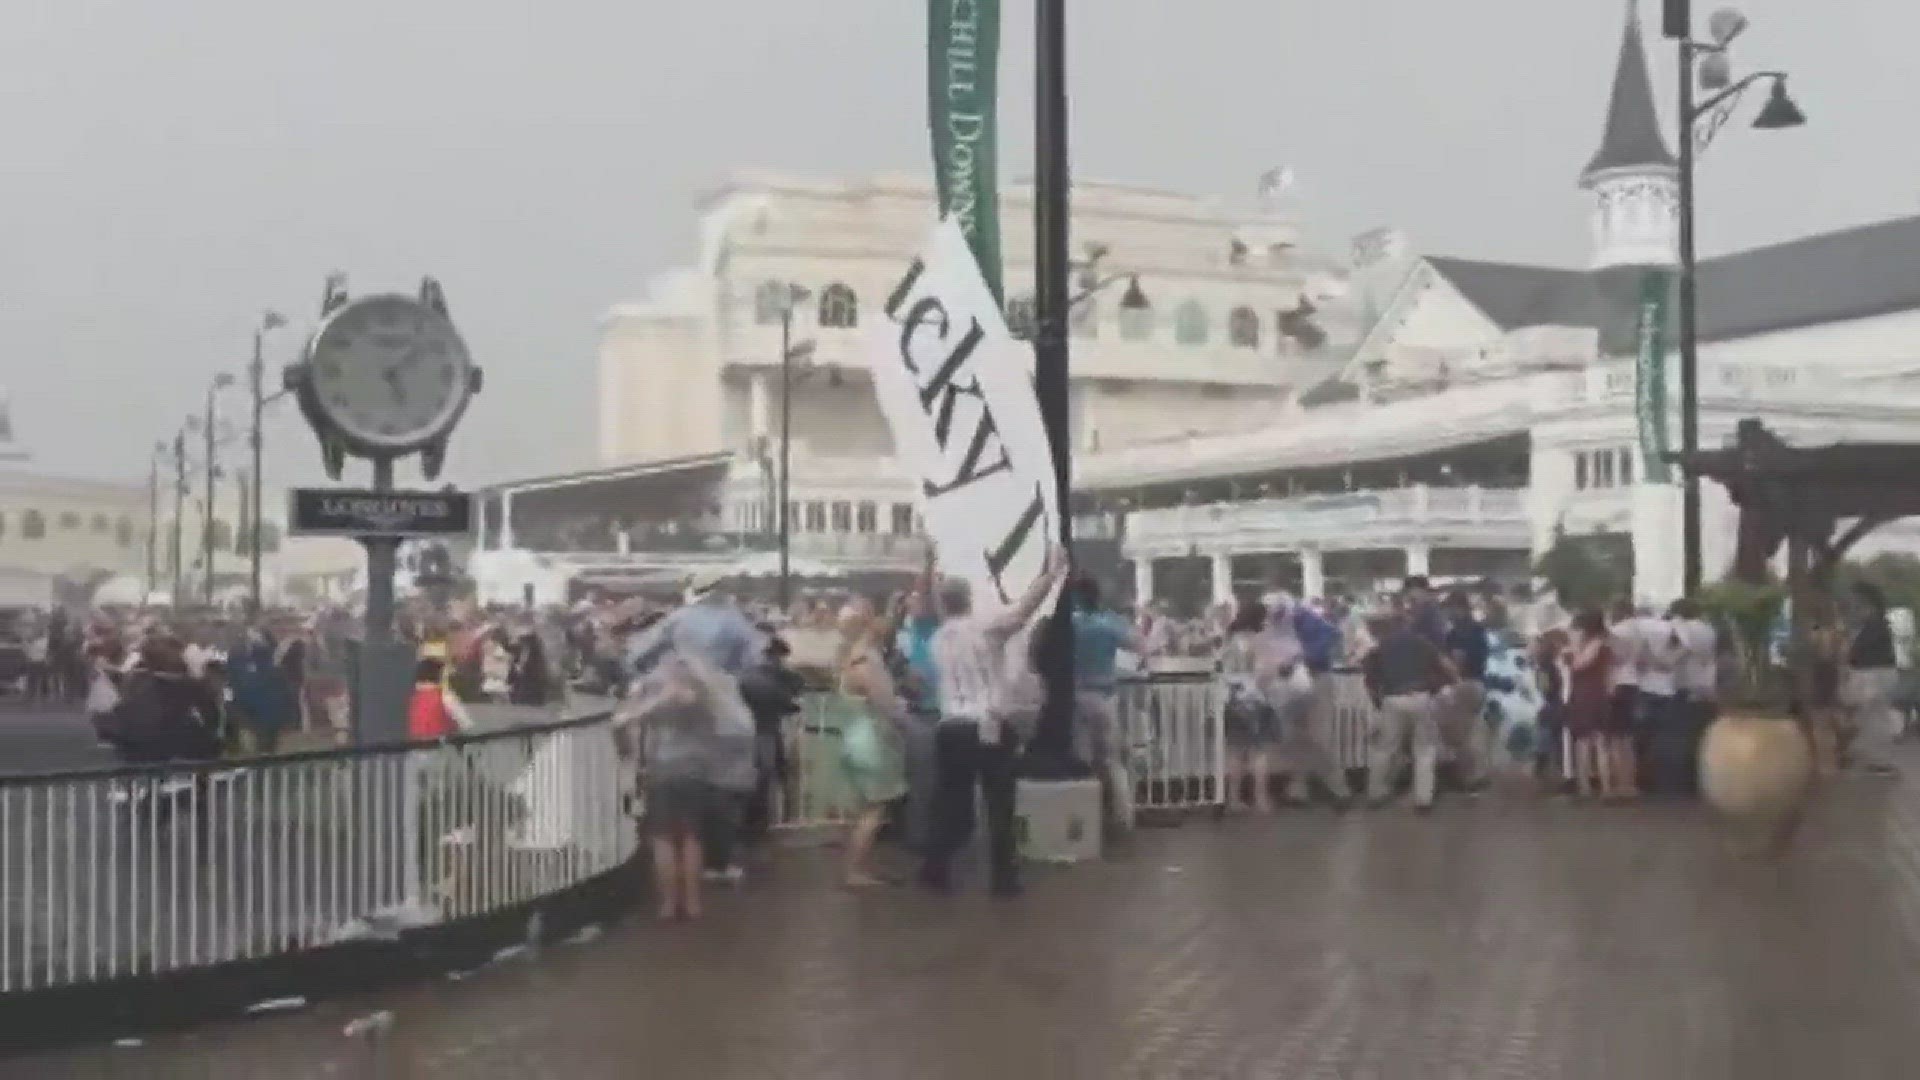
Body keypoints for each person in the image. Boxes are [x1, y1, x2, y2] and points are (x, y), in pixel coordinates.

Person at [921, 547, 1068, 898]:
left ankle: (936, 866)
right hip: (987, 725)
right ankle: (1004, 878)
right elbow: (1025, 609)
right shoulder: (985, 629)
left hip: (950, 727)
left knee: (952, 802)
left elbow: (941, 611)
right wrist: (1051, 574)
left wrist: (930, 573)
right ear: (970, 599)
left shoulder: (939, 639)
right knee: (1000, 802)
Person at [827, 599, 910, 888]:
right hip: (873, 740)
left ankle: (858, 865)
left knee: (864, 809)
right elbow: (886, 704)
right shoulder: (865, 663)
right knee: (874, 810)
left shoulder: (849, 659)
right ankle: (855, 871)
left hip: (854, 738)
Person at [1069, 574, 1144, 828]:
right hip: (1106, 696)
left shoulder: (1069, 624)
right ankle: (1124, 817)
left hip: (1077, 697)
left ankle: (1087, 819)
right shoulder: (1109, 623)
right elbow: (1138, 644)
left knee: (1083, 758)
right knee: (1113, 759)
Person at [1360, 610, 1454, 811]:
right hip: (1421, 696)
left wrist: (1377, 699)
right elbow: (1446, 666)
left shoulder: (1381, 647)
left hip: (1393, 698)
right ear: (1408, 624)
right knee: (1424, 749)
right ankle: (1423, 799)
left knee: (1385, 748)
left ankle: (1376, 793)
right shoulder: (1422, 643)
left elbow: (1368, 676)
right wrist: (1449, 683)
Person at [1218, 600, 1281, 813]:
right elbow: (1266, 672)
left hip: (1232, 699)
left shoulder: (1229, 640)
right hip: (1255, 700)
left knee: (1235, 751)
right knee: (1259, 752)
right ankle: (1260, 799)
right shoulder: (1258, 641)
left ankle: (1233, 799)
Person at [1844, 582, 1901, 778]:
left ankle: (1881, 761)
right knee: (1870, 716)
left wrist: (1848, 655)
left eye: (1859, 605)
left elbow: (1857, 653)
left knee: (1874, 717)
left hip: (1874, 674)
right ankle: (1875, 758)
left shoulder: (1875, 626)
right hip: (1876, 674)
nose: (1856, 609)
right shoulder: (1876, 624)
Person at [1563, 612, 1616, 800]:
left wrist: (1572, 650)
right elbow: (1610, 675)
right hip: (1599, 694)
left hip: (1585, 695)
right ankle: (1605, 787)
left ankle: (1586, 786)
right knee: (1600, 742)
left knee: (1584, 742)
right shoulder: (1606, 644)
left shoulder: (1593, 644)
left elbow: (1578, 665)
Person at [408, 656, 475, 740]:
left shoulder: (411, 697)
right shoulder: (445, 696)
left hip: (414, 748)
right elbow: (467, 724)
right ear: (439, 675)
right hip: (441, 748)